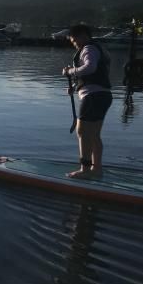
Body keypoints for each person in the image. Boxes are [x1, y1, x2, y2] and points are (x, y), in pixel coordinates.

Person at [61, 24, 112, 179]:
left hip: (93, 97)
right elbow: (93, 73)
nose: (74, 44)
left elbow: (90, 68)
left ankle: (85, 170)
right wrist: (76, 86)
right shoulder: (96, 48)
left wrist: (71, 71)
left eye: (74, 41)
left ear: (83, 35)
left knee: (82, 132)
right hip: (103, 95)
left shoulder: (89, 49)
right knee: (94, 135)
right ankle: (97, 170)